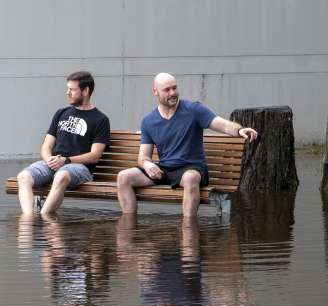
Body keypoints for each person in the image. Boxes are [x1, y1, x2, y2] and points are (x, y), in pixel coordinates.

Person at [117, 73, 258, 218]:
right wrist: (148, 165)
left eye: (175, 88)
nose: (172, 93)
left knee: (190, 178)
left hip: (192, 168)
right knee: (124, 177)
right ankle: (129, 228)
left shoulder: (194, 109)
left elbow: (222, 124)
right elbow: (143, 157)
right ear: (155, 91)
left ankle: (188, 232)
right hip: (165, 169)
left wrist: (239, 129)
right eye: (167, 90)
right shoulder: (148, 121)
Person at [17, 71, 110, 215]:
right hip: (53, 163)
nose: (68, 93)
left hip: (80, 167)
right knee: (23, 177)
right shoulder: (61, 113)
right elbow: (47, 145)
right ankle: (28, 221)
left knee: (61, 176)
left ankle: (44, 219)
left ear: (85, 91)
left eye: (72, 90)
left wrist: (66, 160)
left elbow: (95, 155)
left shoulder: (100, 120)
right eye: (68, 89)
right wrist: (49, 159)